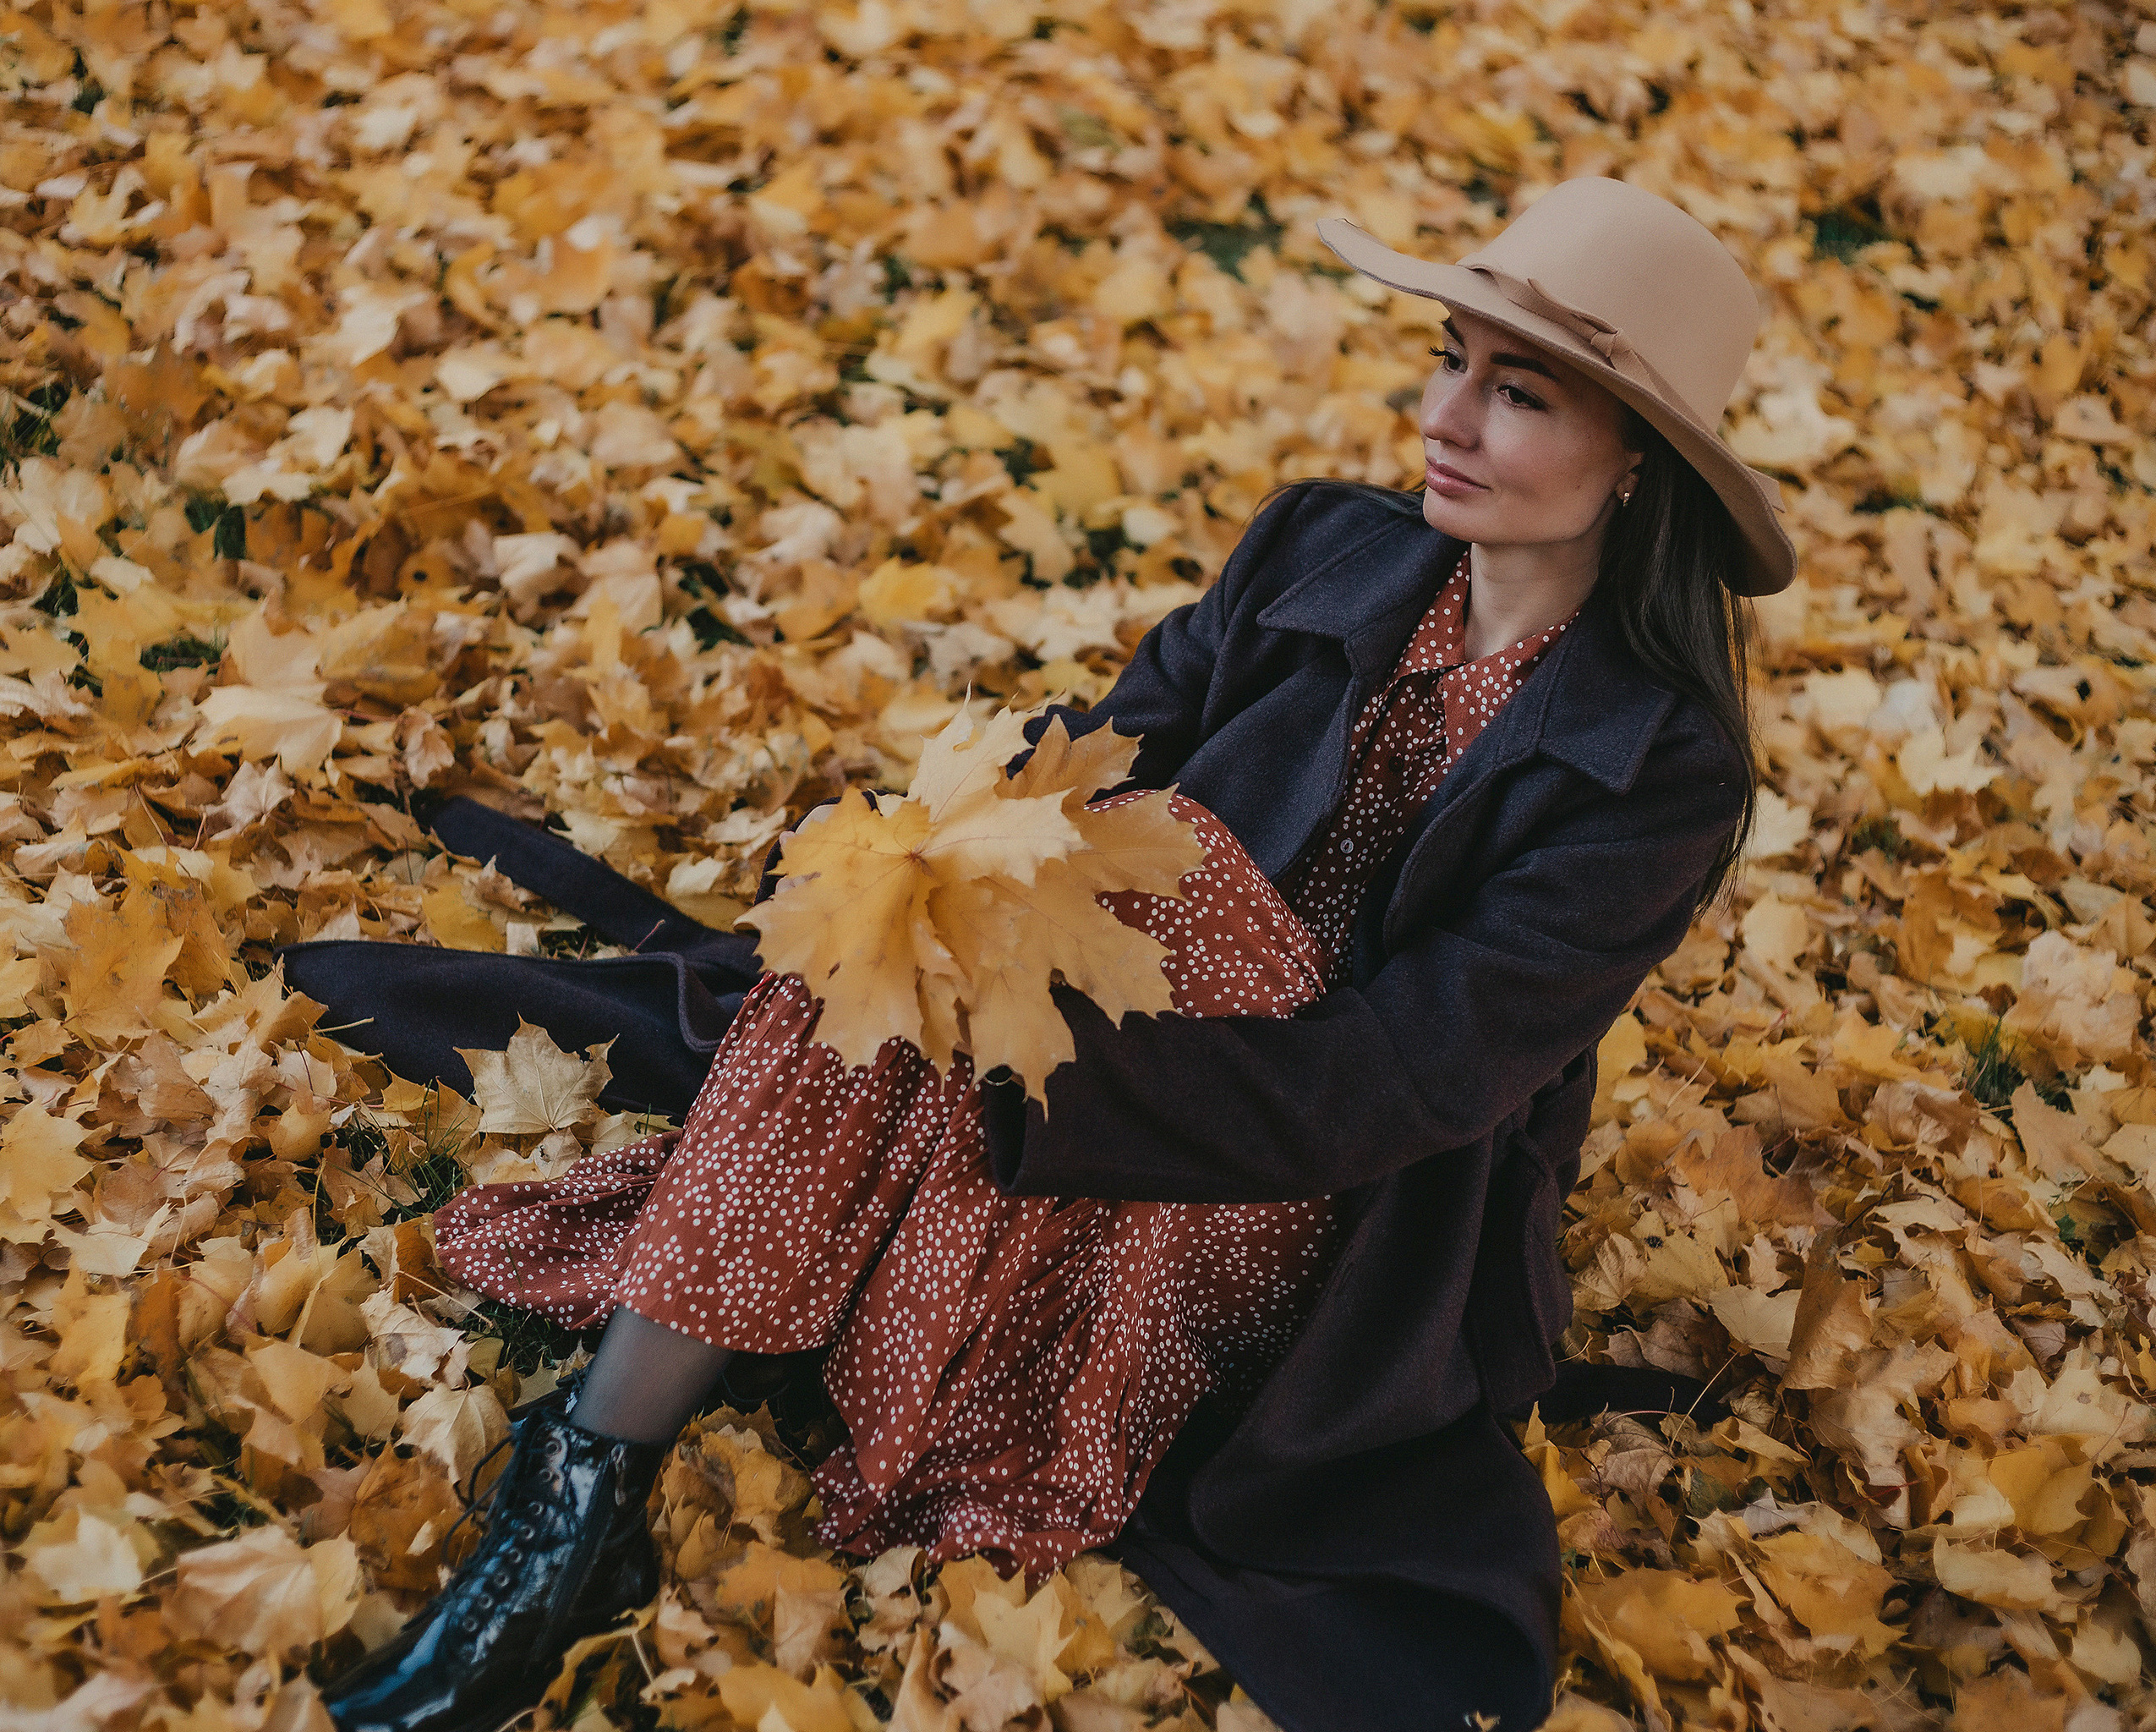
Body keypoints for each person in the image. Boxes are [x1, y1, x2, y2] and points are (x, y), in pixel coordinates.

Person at [319, 175, 1795, 1732]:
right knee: (930, 896)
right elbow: (1089, 759)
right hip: (1094, 1026)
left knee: (1175, 871)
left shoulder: (1660, 770)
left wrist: (1052, 1065)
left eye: (1521, 393)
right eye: (1448, 360)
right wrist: (940, 887)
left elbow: (1412, 1074)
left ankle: (628, 1431)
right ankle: (580, 1500)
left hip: (1320, 1178)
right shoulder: (1321, 545)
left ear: (1640, 463)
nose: (1449, 417)